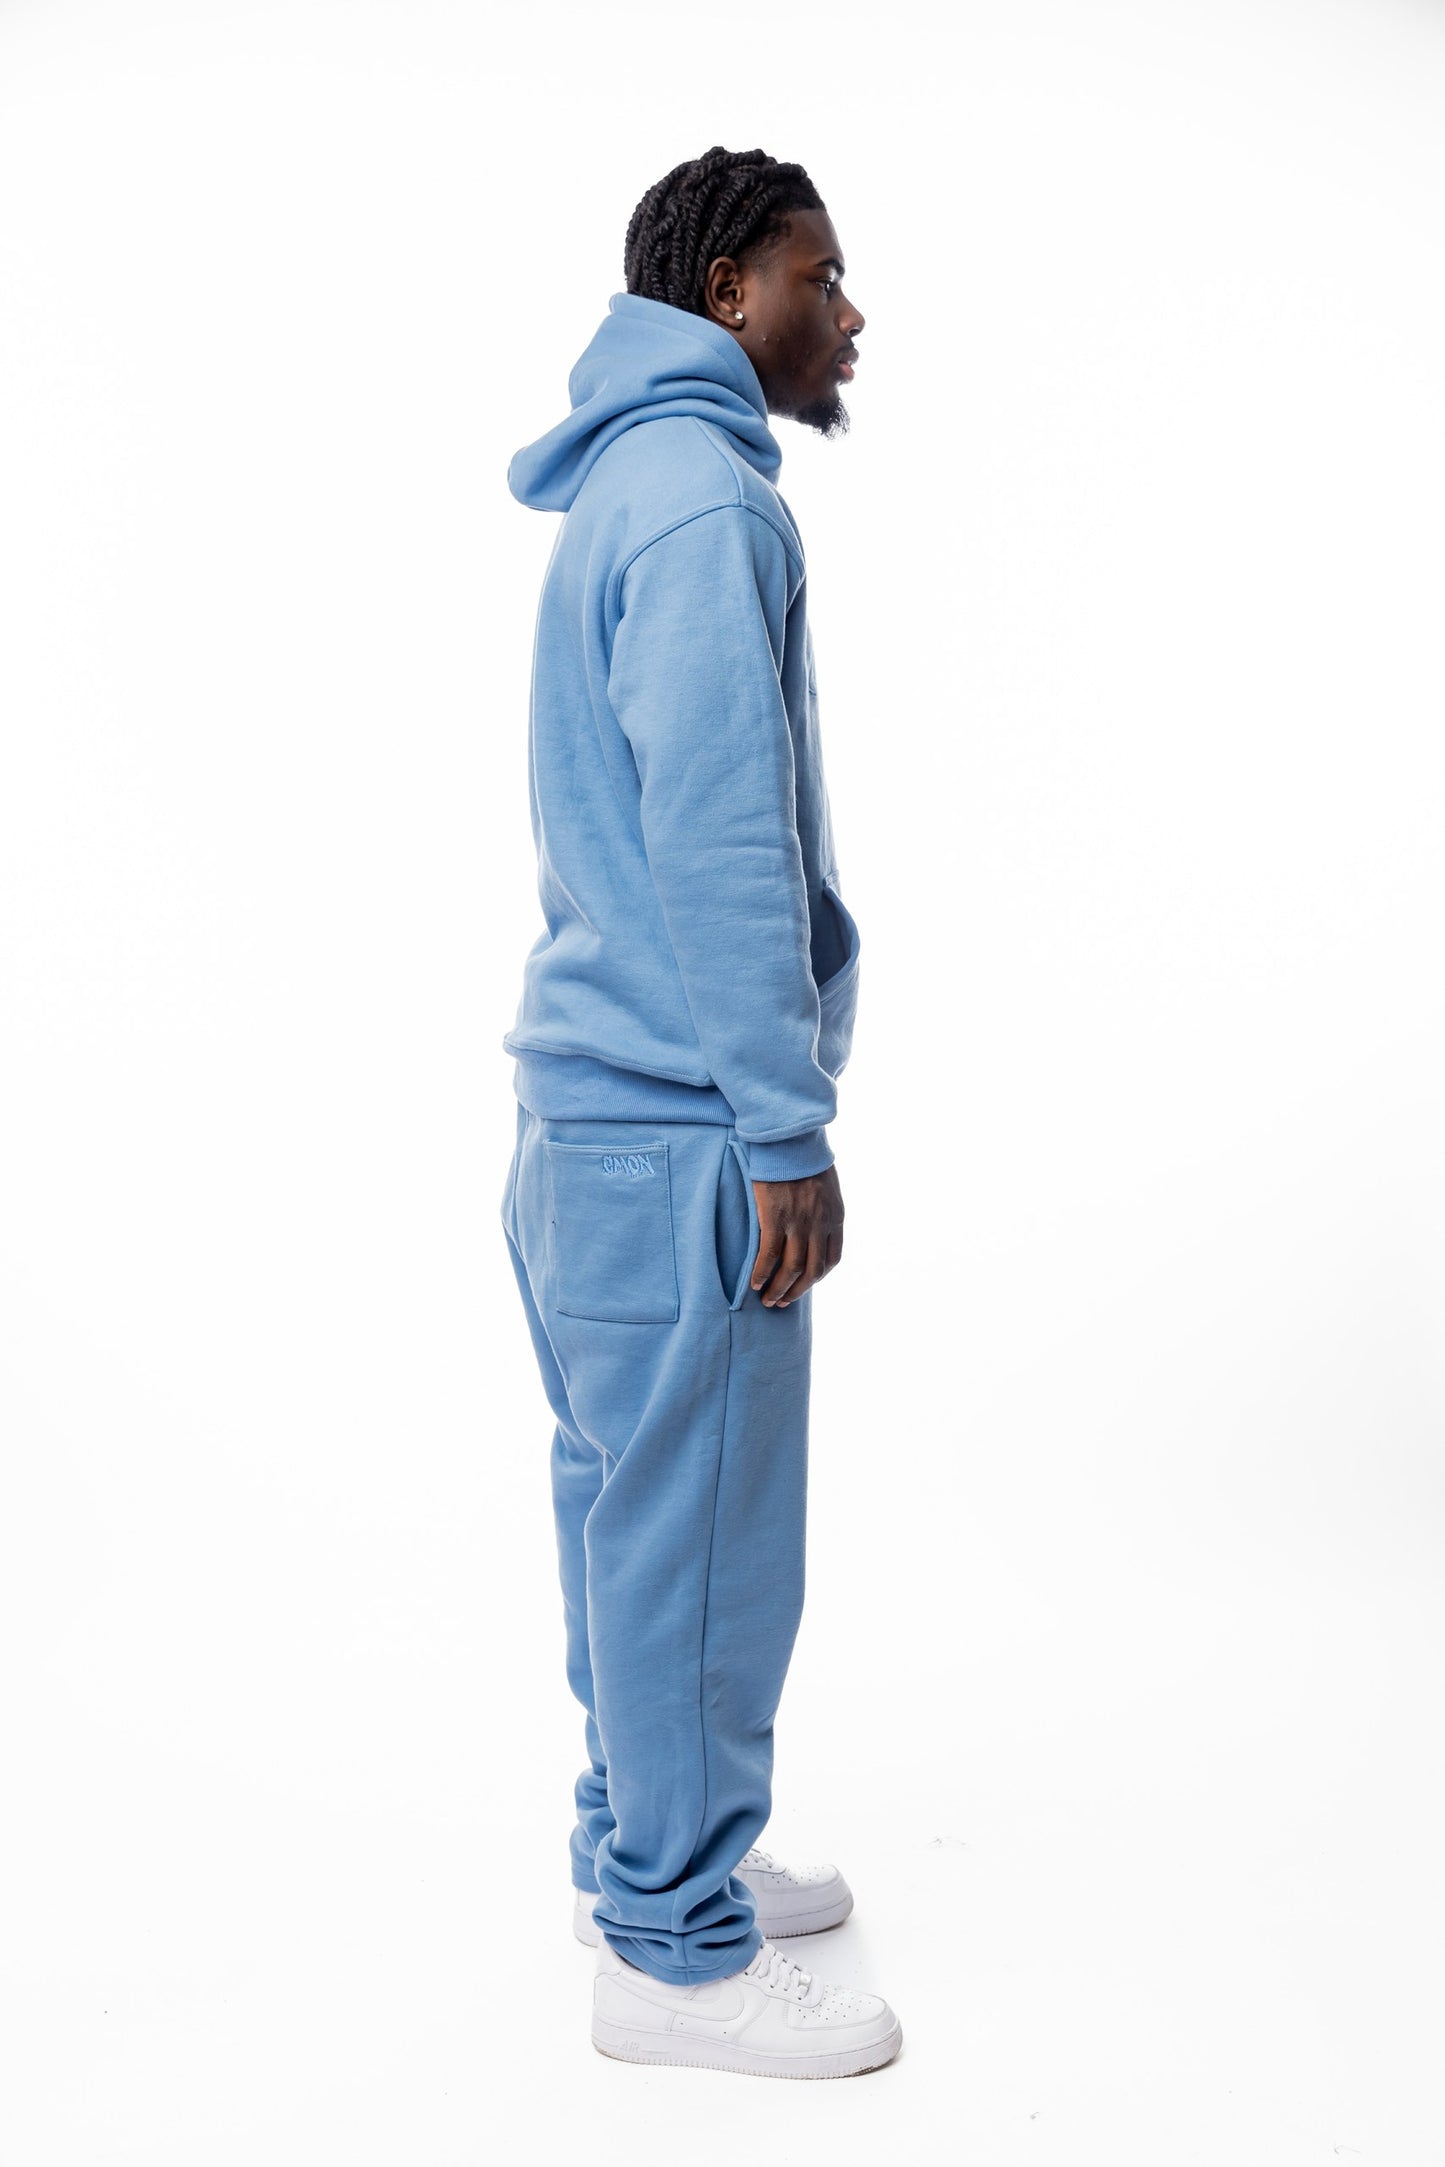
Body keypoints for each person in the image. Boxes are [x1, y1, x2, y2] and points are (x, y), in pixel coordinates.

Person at [497, 144, 901, 2080]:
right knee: (706, 1544)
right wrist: (782, 1126)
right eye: (823, 277)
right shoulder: (699, 501)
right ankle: (674, 1947)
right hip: (678, 1134)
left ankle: (641, 1857)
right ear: (731, 288)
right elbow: (722, 835)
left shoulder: (633, 484)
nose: (852, 315)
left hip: (592, 1126)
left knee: (635, 1528)